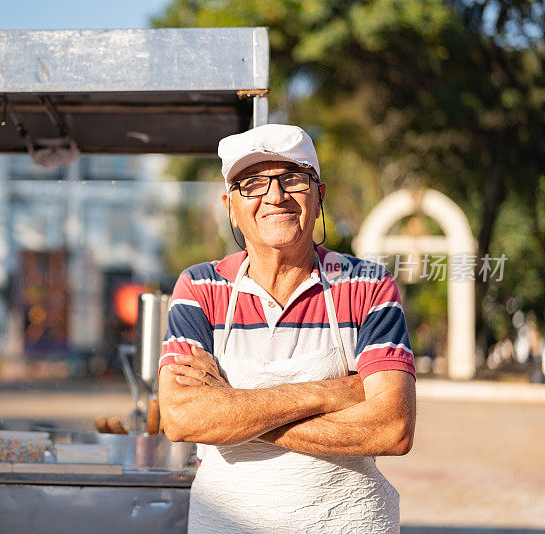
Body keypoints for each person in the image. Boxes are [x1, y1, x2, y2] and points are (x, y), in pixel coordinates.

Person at [158, 124, 416, 533]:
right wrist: (334, 392)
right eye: (253, 184)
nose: (275, 197)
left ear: (320, 196)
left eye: (293, 179)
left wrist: (233, 412)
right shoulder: (200, 288)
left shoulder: (368, 285)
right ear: (231, 207)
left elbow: (393, 428)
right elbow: (182, 419)